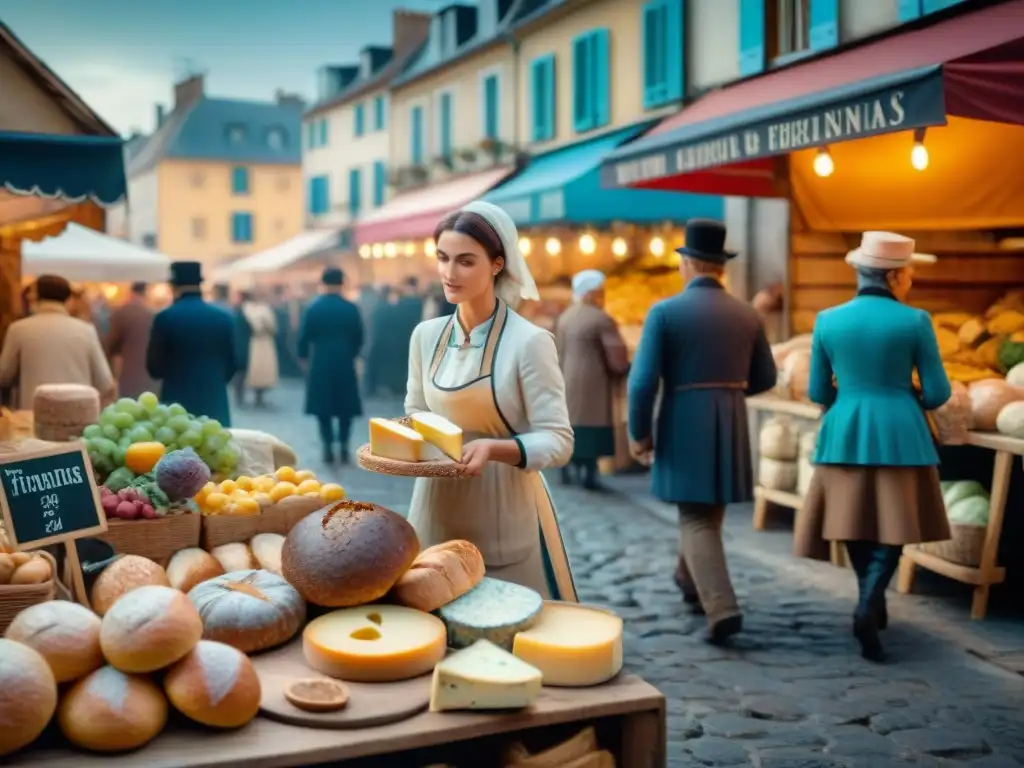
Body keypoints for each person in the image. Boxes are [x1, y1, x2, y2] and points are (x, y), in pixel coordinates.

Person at [405, 201, 576, 601]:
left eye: (466, 261)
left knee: (502, 637)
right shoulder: (425, 336)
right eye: (443, 258)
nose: (449, 273)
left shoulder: (529, 342)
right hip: (434, 501)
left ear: (498, 264)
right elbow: (415, 409)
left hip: (502, 506)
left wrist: (495, 448)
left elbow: (559, 439)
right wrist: (410, 439)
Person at [794, 231, 951, 663]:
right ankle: (869, 602)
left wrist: (853, 394)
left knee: (852, 521)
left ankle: (869, 599)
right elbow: (938, 393)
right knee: (895, 528)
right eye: (911, 273)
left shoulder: (827, 320)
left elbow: (818, 393)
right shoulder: (915, 321)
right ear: (896, 276)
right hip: (902, 431)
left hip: (843, 429)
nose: (912, 280)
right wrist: (905, 395)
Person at [628, 219, 776, 644]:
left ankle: (721, 607)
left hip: (683, 416)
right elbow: (766, 377)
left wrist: (639, 434)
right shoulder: (748, 313)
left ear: (689, 263)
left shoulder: (664, 312)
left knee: (695, 515)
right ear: (721, 267)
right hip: (729, 415)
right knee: (706, 510)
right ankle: (686, 577)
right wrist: (727, 391)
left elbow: (641, 383)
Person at [555, 269, 629, 491]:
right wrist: (623, 370)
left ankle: (566, 467)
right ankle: (589, 473)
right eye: (600, 292)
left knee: (572, 425)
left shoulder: (565, 317)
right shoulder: (601, 318)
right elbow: (617, 358)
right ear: (591, 292)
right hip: (593, 382)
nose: (602, 297)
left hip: (567, 379)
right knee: (592, 426)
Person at [0, 274, 116, 409]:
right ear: (67, 299)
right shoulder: (86, 331)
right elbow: (105, 382)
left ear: (35, 296)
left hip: (33, 416)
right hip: (77, 416)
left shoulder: (18, 329)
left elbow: (3, 375)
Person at [146, 262, 238, 425]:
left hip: (177, 401)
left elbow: (154, 368)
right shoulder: (224, 318)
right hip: (214, 398)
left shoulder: (165, 318)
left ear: (173, 287)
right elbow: (234, 364)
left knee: (179, 448)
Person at [298, 267, 364, 464]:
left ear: (323, 283)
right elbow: (359, 337)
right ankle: (344, 445)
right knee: (345, 407)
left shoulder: (313, 308)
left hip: (320, 362)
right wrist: (351, 354)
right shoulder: (351, 308)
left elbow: (304, 337)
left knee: (323, 407)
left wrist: (304, 358)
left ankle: (327, 447)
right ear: (342, 283)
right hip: (344, 361)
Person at [105, 282, 157, 399]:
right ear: (145, 294)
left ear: (131, 293)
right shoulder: (152, 314)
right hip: (149, 374)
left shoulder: (121, 313)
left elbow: (111, 344)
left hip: (128, 370)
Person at [239, 291, 278, 408]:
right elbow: (272, 327)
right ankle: (255, 398)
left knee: (258, 372)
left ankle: (254, 398)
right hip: (259, 343)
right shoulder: (260, 310)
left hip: (257, 343)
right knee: (257, 371)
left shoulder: (247, 310)